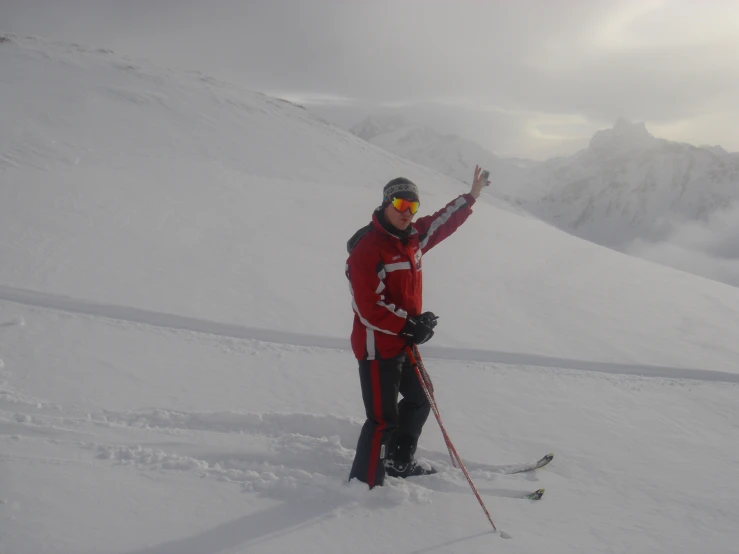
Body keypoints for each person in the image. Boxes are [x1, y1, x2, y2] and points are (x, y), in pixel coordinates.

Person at [345, 165, 489, 489]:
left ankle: (398, 460)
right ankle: (363, 486)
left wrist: (471, 197)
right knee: (382, 420)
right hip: (376, 346)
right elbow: (368, 308)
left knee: (422, 397)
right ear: (385, 204)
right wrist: (410, 325)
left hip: (402, 341)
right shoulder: (367, 250)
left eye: (412, 206)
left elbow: (441, 223)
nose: (406, 212)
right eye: (399, 205)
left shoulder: (413, 239)